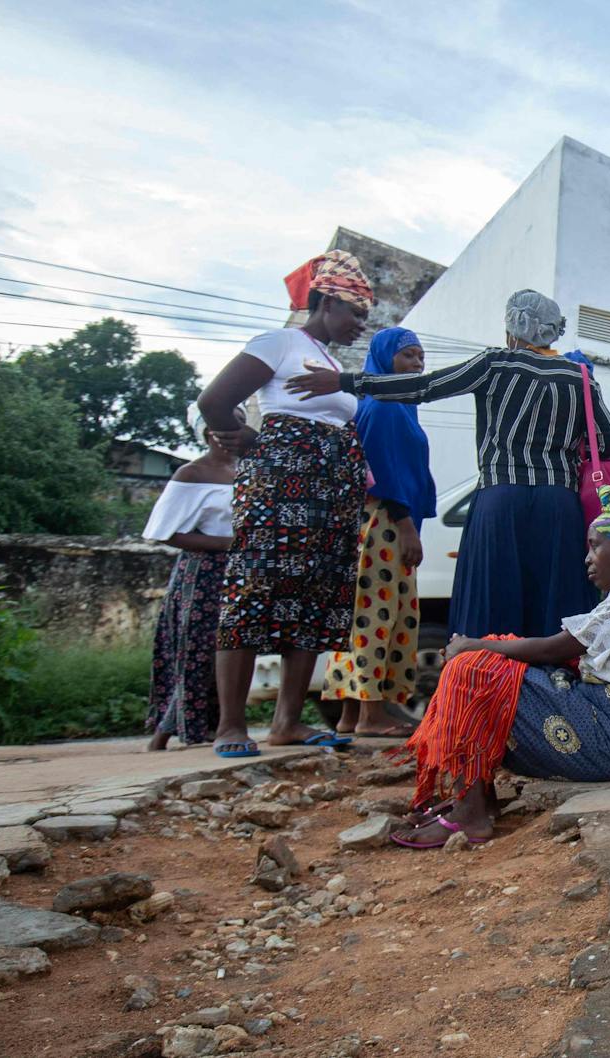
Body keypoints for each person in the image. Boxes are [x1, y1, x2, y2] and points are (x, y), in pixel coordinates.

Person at [286, 290, 610, 639]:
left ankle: (488, 690)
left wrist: (345, 381)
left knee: (492, 602)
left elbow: (425, 386)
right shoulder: (578, 377)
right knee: (552, 604)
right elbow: (607, 442)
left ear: (514, 327)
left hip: (500, 497)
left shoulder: (494, 363)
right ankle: (549, 694)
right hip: (557, 505)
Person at [387, 483, 610, 848]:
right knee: (491, 670)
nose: (587, 557)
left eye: (595, 545)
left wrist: (476, 644)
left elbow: (556, 649)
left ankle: (471, 812)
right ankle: (477, 800)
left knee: (473, 670)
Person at [195, 250, 373, 757]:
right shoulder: (280, 342)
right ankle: (231, 726)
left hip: (330, 490)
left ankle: (287, 723)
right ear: (324, 301)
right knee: (254, 589)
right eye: (355, 313)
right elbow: (214, 400)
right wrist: (243, 438)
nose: (360, 324)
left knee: (315, 596)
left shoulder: (333, 362)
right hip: (280, 484)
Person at [322, 327, 434, 737]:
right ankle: (372, 715)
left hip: (384, 521)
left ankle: (352, 716)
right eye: (408, 356)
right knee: (379, 614)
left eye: (421, 357)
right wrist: (406, 527)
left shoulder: (396, 404)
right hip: (386, 522)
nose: (417, 364)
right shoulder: (385, 406)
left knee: (370, 614)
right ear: (385, 359)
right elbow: (382, 474)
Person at [141, 406, 243, 750]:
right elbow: (164, 532)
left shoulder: (248, 471)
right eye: (227, 423)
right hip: (202, 573)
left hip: (240, 572)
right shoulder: (192, 473)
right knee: (198, 651)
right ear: (207, 433)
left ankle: (214, 727)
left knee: (234, 650)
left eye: (241, 422)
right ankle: (166, 732)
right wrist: (225, 544)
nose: (235, 429)